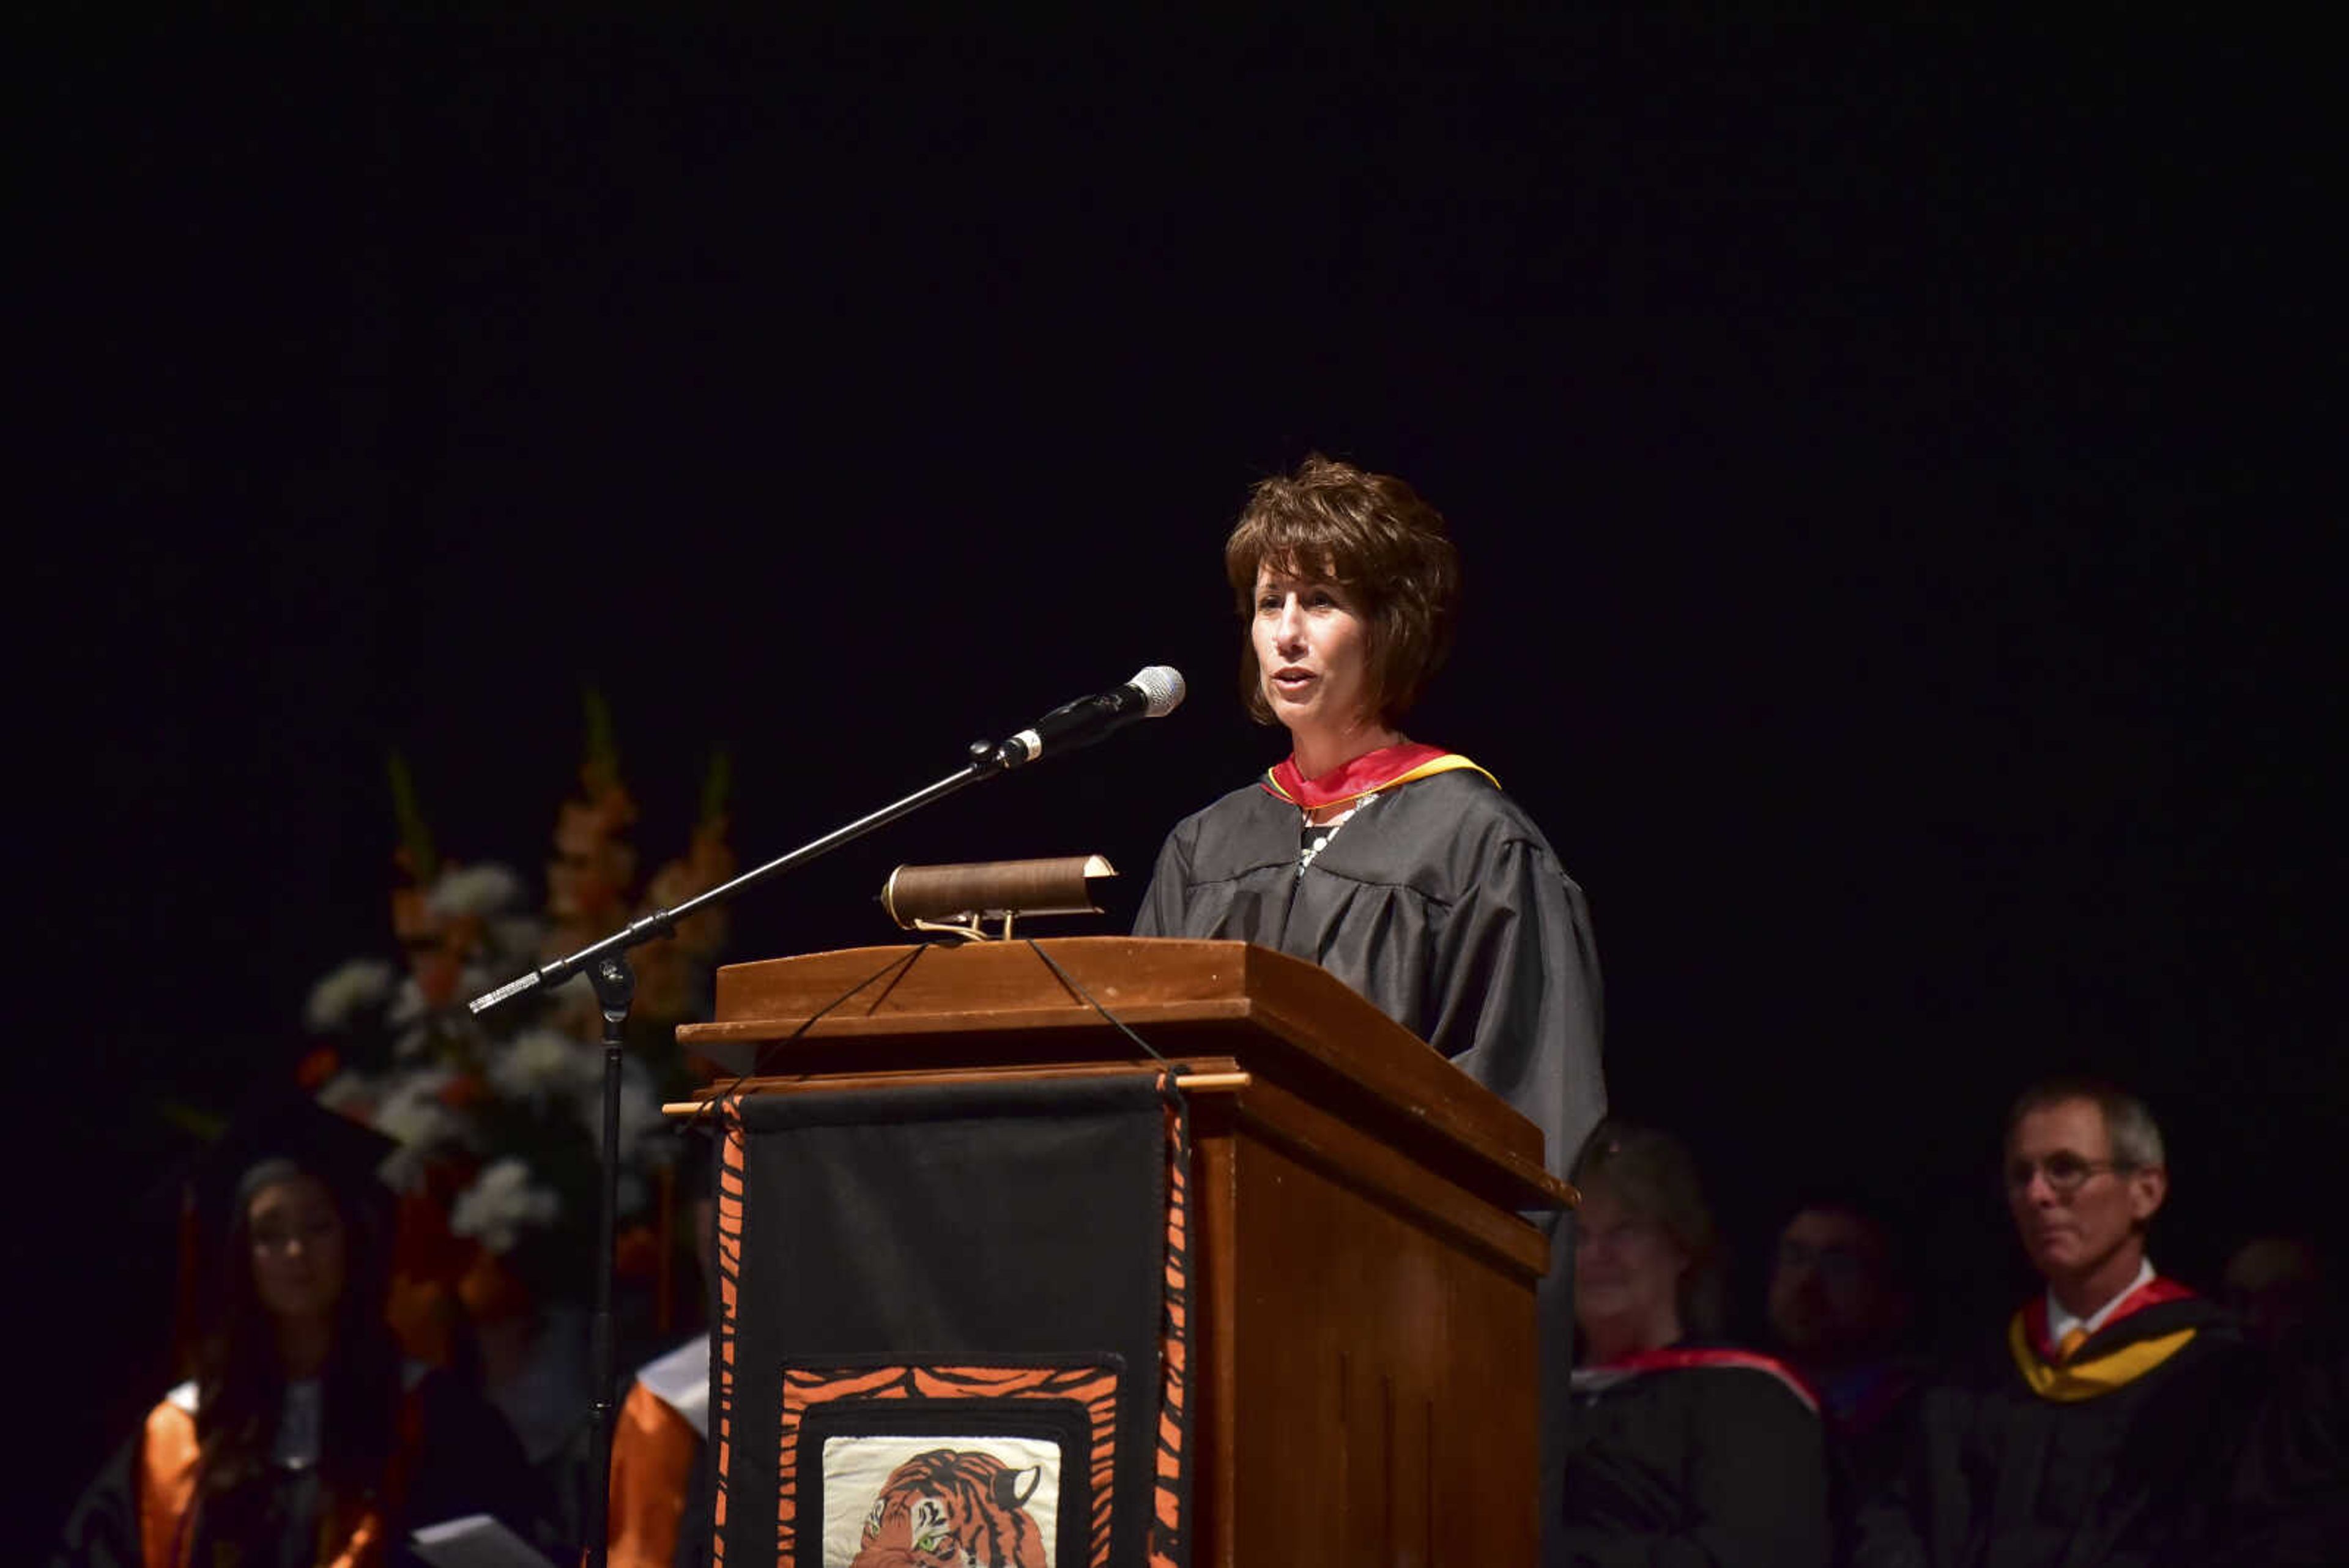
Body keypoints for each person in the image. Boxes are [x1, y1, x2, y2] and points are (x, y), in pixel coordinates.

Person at [1132, 453, 1607, 1560]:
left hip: (1391, 1341)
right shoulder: (1205, 849)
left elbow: (1526, 1122)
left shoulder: (1475, 843)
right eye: (1268, 603)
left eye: (1324, 601)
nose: (1288, 633)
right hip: (1214, 1318)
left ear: (1391, 626)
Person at [51, 1094, 552, 1567]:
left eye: (318, 1226)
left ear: (353, 1240)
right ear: (240, 1257)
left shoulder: (437, 1422)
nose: (296, 1252)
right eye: (269, 1233)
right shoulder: (178, 1436)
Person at [1849, 1078, 2266, 1568]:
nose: (2037, 1194)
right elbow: (1895, 1519)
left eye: (2066, 1169)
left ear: (2146, 1192)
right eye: (2020, 1174)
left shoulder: (2219, 1374)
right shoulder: (1969, 1372)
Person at [1559, 1122, 1828, 1567]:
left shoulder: (1748, 1397)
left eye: (1624, 1231)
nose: (1595, 1255)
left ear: (1681, 1245)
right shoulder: (1530, 1399)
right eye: (1579, 1235)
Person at [1764, 1195, 1924, 1544]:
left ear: (1890, 1291)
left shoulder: (1925, 1423)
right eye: (1795, 1257)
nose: (1807, 1283)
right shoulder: (1735, 1399)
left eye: (1838, 1265)